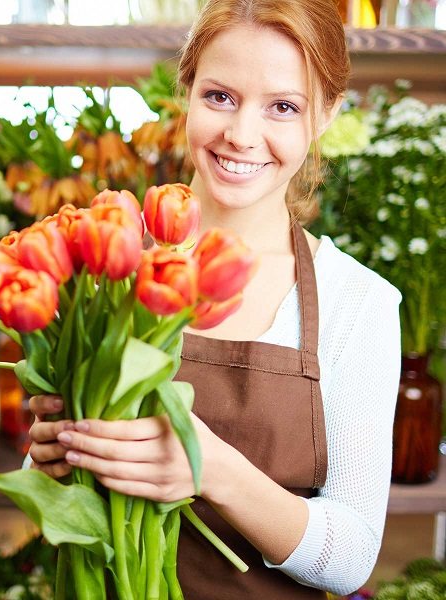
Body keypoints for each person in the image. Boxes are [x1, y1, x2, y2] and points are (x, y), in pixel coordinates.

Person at [25, 0, 402, 597]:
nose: (240, 135)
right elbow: (51, 515)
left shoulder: (356, 302)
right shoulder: (105, 263)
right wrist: (52, 460)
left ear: (326, 114)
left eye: (283, 107)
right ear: (187, 89)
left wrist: (208, 468)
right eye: (220, 96)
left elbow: (353, 556)